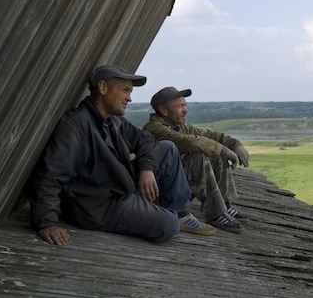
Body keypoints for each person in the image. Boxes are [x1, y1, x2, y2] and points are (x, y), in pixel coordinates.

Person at [29, 65, 216, 246]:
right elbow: (50, 176)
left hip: (120, 185)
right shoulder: (76, 126)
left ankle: (181, 212)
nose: (130, 98)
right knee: (168, 225)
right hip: (102, 206)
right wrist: (47, 223)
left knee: (167, 148)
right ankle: (166, 215)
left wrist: (146, 168)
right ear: (103, 88)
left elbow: (146, 140)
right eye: (125, 91)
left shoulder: (113, 120)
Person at [143, 87, 250, 233]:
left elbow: (210, 135)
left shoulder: (179, 127)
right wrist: (223, 149)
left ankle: (224, 205)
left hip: (176, 186)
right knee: (199, 154)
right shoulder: (155, 129)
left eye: (185, 105)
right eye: (180, 106)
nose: (185, 110)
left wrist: (235, 145)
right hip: (160, 194)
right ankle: (215, 213)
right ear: (163, 110)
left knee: (215, 152)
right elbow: (187, 142)